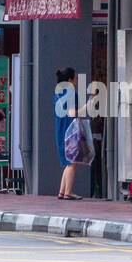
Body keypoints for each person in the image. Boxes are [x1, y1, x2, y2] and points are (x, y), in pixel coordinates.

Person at [54, 67, 82, 200]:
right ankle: (68, 192)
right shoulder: (72, 93)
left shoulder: (58, 93)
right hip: (70, 130)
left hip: (60, 130)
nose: (76, 80)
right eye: (75, 78)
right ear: (70, 79)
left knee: (67, 162)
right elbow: (72, 113)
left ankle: (62, 191)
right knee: (72, 163)